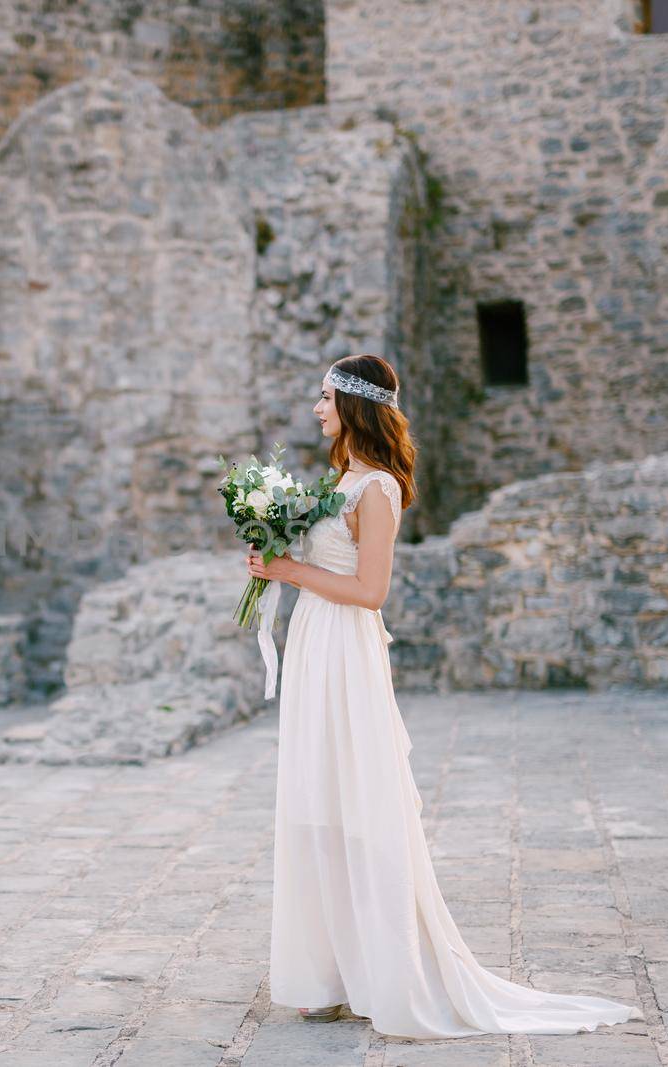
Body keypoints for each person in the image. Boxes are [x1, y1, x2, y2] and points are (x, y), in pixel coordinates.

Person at [244, 354, 643, 1039]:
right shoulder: (336, 480)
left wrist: (287, 568)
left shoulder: (376, 491)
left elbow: (371, 592)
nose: (316, 408)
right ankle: (327, 971)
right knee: (315, 799)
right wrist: (275, 553)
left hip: (345, 651)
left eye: (325, 397)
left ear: (355, 406)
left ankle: (382, 968)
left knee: (356, 798)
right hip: (313, 644)